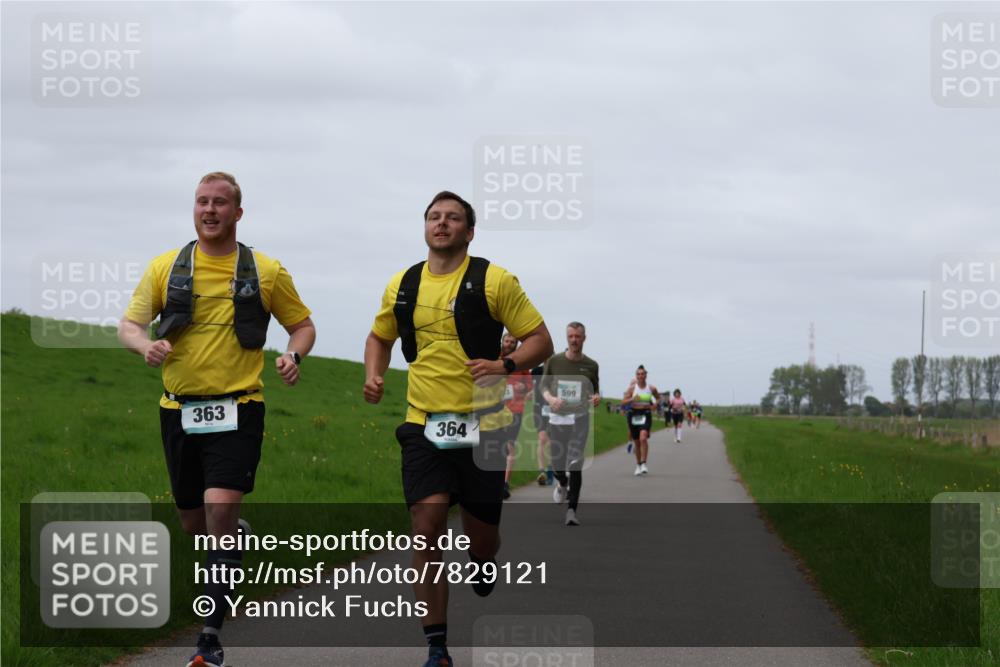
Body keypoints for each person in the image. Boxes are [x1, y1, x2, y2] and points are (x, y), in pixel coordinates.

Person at [118, 172, 316, 667]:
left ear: (237, 213)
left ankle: (209, 636)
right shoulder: (167, 267)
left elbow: (303, 325)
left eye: (220, 203)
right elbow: (130, 325)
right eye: (202, 201)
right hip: (178, 411)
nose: (209, 210)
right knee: (194, 524)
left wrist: (293, 354)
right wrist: (145, 346)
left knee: (220, 509)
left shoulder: (266, 271)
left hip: (239, 407)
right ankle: (232, 540)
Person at [363, 191, 553, 667]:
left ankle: (484, 561)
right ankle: (437, 647)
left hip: (483, 427)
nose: (441, 223)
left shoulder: (494, 280)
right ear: (425, 227)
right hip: (422, 424)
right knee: (425, 528)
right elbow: (379, 337)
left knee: (480, 538)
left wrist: (504, 364)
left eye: (452, 218)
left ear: (469, 231)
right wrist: (374, 373)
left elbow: (541, 340)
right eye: (434, 216)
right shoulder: (403, 284)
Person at [539, 322, 600, 526]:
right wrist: (551, 399)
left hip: (579, 418)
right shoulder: (554, 362)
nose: (574, 340)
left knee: (575, 464)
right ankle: (561, 482)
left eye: (577, 336)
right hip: (558, 418)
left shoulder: (592, 365)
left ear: (584, 338)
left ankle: (572, 511)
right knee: (558, 464)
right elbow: (544, 386)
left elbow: (595, 390)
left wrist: (596, 397)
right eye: (571, 336)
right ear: (567, 338)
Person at [500, 332, 533, 499]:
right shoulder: (495, 359)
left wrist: (523, 388)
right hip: (495, 410)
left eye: (512, 342)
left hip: (515, 410)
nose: (509, 344)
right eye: (507, 341)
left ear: (516, 344)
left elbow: (530, 386)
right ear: (502, 341)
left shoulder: (521, 362)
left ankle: (505, 484)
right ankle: (493, 481)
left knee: (509, 446)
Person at [622, 365, 660, 476]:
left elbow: (658, 398)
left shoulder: (651, 388)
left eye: (642, 374)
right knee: (637, 442)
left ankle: (644, 463)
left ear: (646, 375)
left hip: (645, 414)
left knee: (643, 438)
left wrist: (654, 405)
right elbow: (623, 402)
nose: (640, 376)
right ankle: (638, 465)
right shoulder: (632, 389)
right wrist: (632, 399)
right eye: (638, 374)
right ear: (636, 376)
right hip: (634, 414)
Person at [531, 364, 554, 485]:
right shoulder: (536, 371)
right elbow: (528, 384)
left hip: (552, 408)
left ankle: (550, 470)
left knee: (551, 441)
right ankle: (541, 471)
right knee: (542, 438)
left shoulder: (556, 371)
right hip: (538, 408)